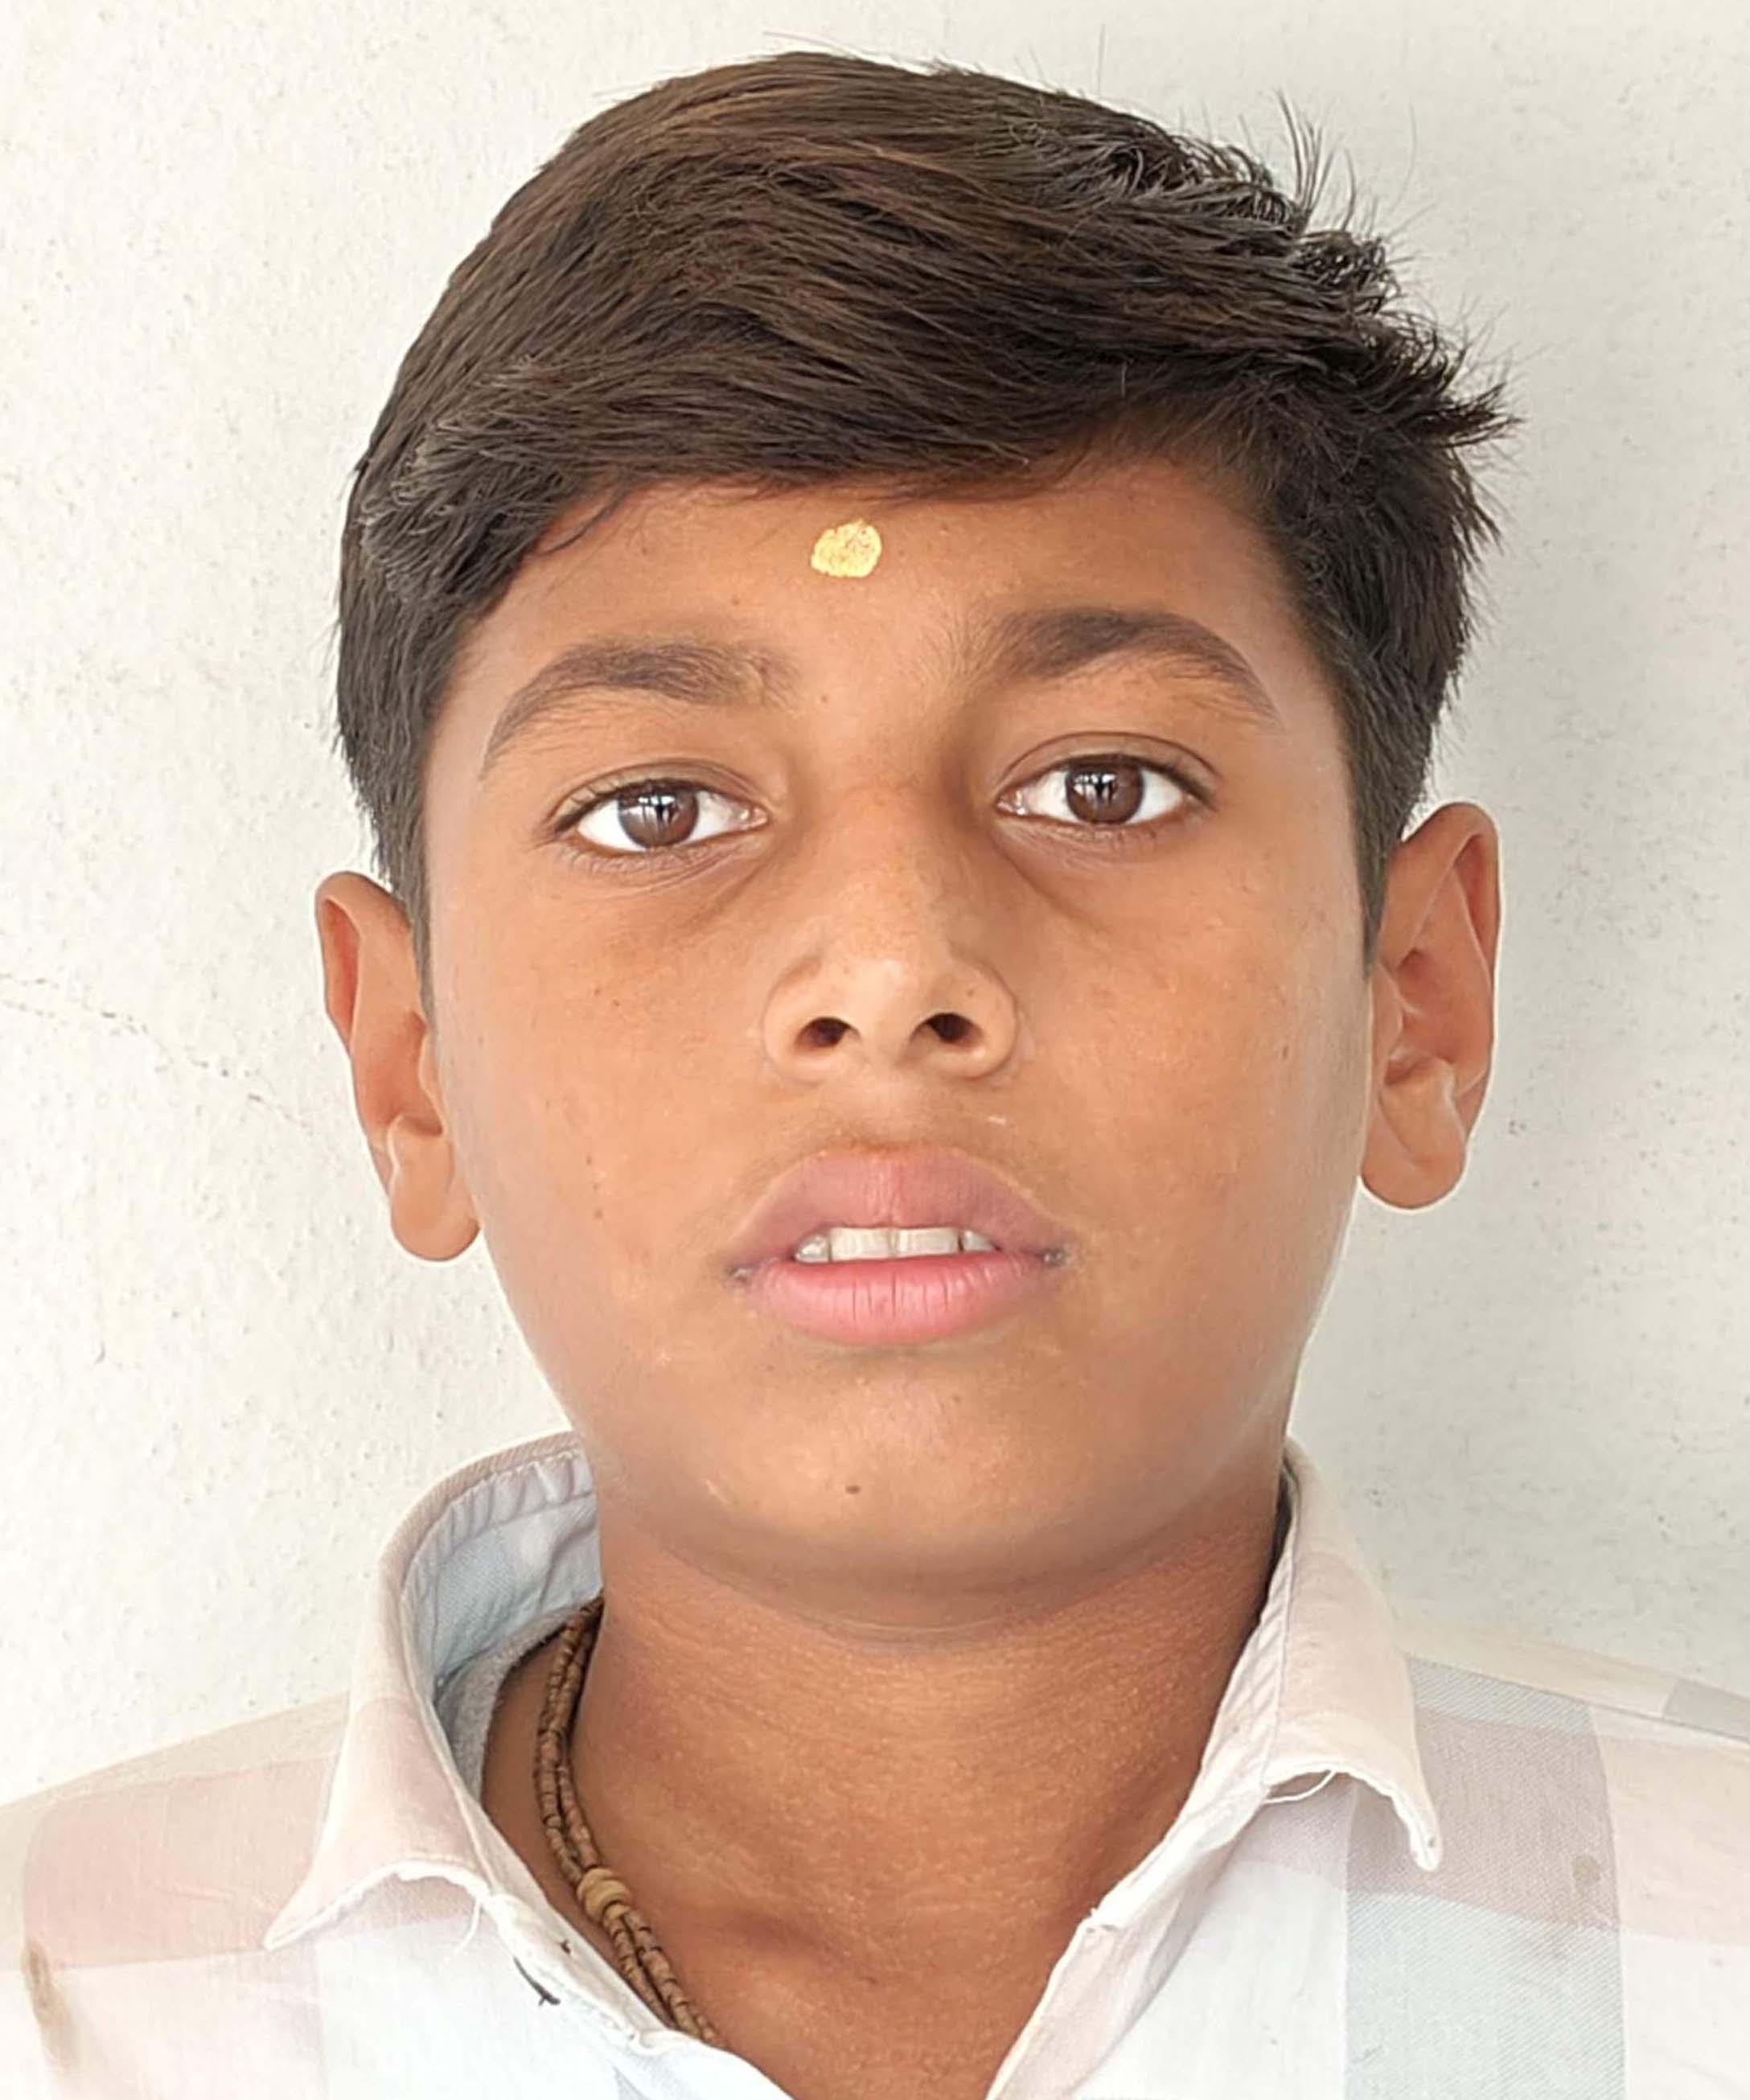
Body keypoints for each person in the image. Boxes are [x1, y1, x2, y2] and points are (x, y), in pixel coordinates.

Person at [5, 44, 1747, 2100]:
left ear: (1415, 1001)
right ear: (409, 1066)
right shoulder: (61, 2007)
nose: (893, 971)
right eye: (659, 810)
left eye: (1102, 784)